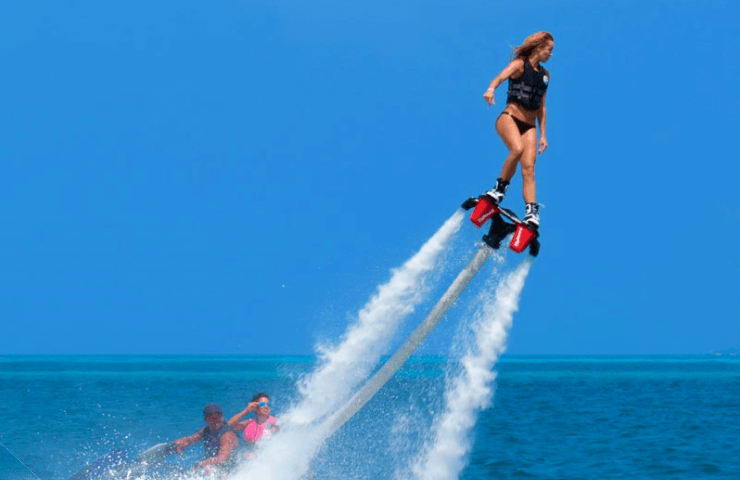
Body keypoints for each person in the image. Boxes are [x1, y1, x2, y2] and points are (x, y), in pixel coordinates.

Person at [482, 32, 554, 227]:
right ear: (539, 47)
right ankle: (498, 190)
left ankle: (531, 212)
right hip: (509, 118)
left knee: (529, 169)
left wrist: (544, 135)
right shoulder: (519, 64)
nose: (551, 54)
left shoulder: (545, 76)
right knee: (517, 149)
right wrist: (490, 90)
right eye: (549, 49)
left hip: (530, 126)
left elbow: (542, 107)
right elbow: (498, 78)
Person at [173, 403, 240, 473]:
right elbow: (190, 440)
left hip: (229, 468)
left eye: (217, 418)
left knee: (206, 470)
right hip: (212, 465)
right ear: (206, 420)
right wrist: (178, 443)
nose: (215, 421)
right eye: (212, 418)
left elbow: (222, 457)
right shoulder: (205, 431)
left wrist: (200, 464)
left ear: (222, 417)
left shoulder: (227, 434)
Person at [227, 392, 279, 458]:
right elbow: (228, 426)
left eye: (268, 404)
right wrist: (247, 410)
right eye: (262, 404)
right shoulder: (248, 423)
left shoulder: (275, 423)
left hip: (268, 459)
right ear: (256, 407)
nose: (266, 406)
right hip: (250, 462)